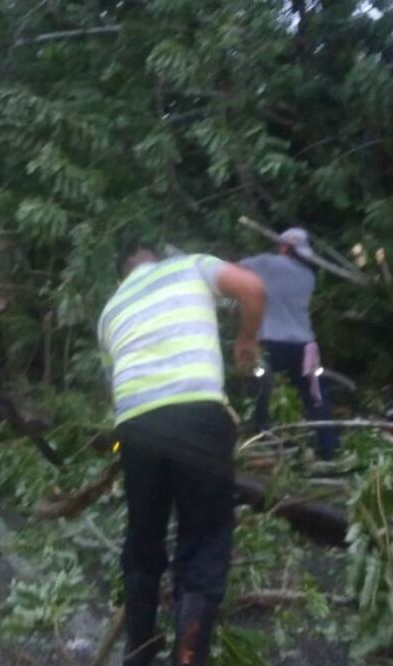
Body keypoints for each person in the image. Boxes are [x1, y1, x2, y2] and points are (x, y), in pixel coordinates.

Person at [99, 243, 266, 666]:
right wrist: (246, 340)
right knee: (205, 539)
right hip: (199, 417)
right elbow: (251, 286)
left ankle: (138, 650)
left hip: (135, 426)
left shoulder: (110, 311)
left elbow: (113, 385)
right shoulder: (190, 267)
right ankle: (187, 657)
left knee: (144, 536)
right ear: (157, 261)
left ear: (123, 276)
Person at [240, 228, 339, 460]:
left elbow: (230, 270)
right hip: (305, 345)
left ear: (283, 246)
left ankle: (265, 442)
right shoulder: (308, 275)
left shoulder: (265, 263)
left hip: (271, 342)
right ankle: (328, 446)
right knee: (315, 395)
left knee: (263, 393)